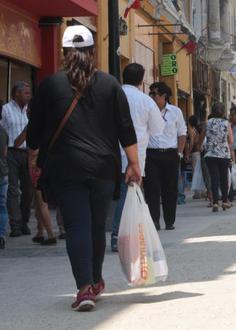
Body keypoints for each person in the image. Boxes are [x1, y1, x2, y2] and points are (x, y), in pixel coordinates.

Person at [27, 25, 140, 311]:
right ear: (93, 51)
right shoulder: (110, 84)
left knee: (77, 225)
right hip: (103, 167)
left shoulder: (50, 85)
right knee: (96, 226)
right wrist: (134, 163)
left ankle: (85, 288)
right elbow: (125, 129)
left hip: (65, 168)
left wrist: (33, 160)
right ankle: (96, 278)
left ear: (64, 52)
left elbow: (34, 134)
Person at [110, 63, 165, 252]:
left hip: (107, 155)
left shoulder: (111, 96)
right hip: (134, 159)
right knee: (127, 199)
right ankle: (119, 235)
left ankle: (120, 234)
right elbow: (158, 131)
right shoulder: (145, 101)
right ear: (142, 81)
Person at [144, 82, 187, 231]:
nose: (151, 96)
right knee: (152, 189)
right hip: (151, 155)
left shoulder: (176, 112)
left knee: (170, 189)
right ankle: (154, 221)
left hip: (170, 154)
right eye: (150, 93)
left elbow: (182, 133)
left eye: (154, 94)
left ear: (164, 96)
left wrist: (179, 153)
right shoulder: (148, 111)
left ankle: (169, 221)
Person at [1, 81, 33, 237]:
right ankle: (15, 225)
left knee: (28, 190)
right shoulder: (5, 110)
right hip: (12, 153)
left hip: (27, 153)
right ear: (16, 94)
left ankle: (24, 222)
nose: (29, 96)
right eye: (26, 93)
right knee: (13, 191)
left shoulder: (29, 111)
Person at [203, 102, 235, 212]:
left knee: (214, 178)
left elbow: (202, 138)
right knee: (224, 178)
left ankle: (215, 203)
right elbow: (231, 141)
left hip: (210, 154)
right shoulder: (227, 123)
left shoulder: (207, 122)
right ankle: (225, 201)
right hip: (224, 154)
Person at [0, 126, 8, 249]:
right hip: (2, 172)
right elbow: (5, 152)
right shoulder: (3, 131)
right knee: (2, 205)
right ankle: (1, 235)